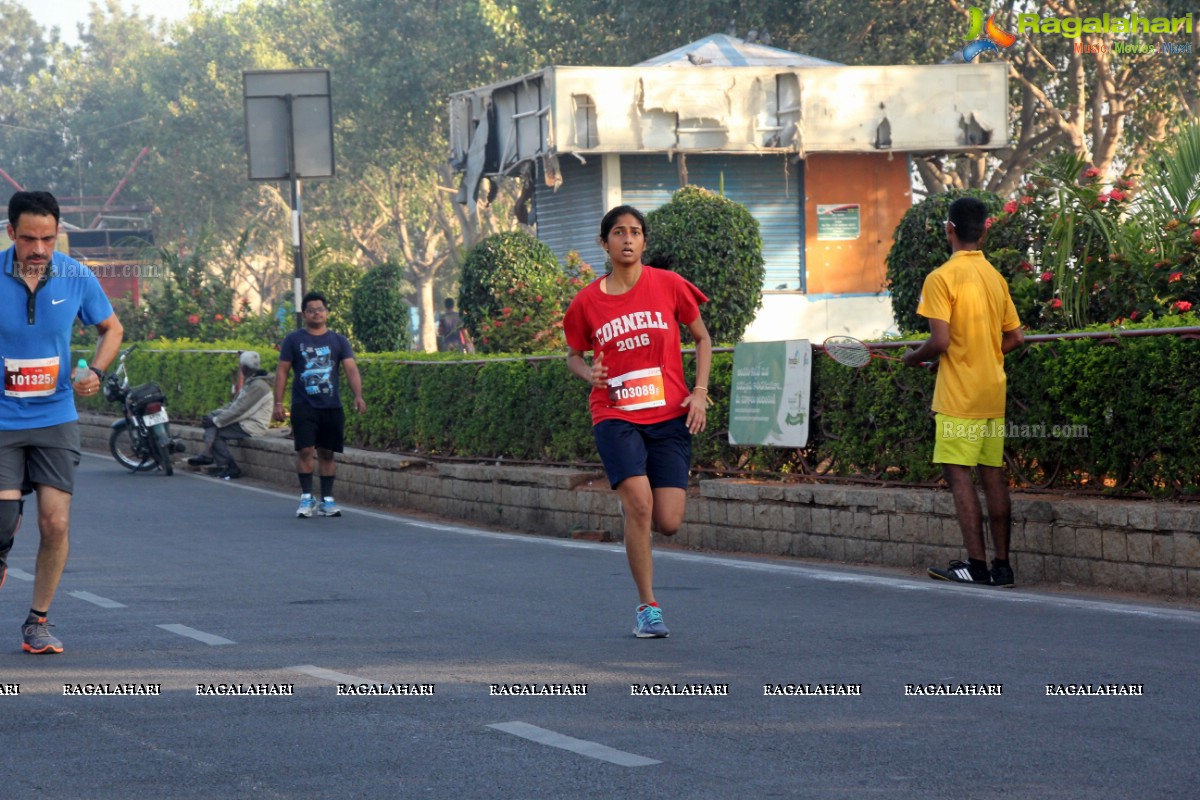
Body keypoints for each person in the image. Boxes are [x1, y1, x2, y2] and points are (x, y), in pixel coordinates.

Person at [564, 205, 712, 638]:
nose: (627, 239)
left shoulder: (669, 286)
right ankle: (648, 606)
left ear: (644, 241)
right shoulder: (587, 302)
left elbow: (702, 338)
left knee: (668, 520)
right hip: (614, 415)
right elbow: (573, 353)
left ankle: (634, 506)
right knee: (641, 506)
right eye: (618, 232)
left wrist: (699, 393)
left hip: (668, 415)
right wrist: (587, 372)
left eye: (635, 232)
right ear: (604, 243)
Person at [0, 190, 123, 654]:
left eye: (48, 238)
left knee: (55, 523)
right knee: (4, 517)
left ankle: (38, 622)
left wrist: (96, 370)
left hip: (55, 416)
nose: (38, 249)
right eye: (28, 238)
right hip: (1, 419)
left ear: (58, 235)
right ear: (11, 233)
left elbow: (111, 328)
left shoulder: (75, 276)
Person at [901, 196, 1025, 587]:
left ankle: (975, 564)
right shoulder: (994, 276)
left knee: (959, 477)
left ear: (949, 229)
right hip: (992, 393)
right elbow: (1015, 338)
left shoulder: (941, 278)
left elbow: (939, 341)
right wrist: (979, 356)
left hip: (959, 398)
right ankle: (1001, 567)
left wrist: (912, 358)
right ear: (984, 230)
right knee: (993, 477)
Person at [273, 291, 366, 518]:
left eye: (320, 309)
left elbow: (351, 369)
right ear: (304, 314)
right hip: (303, 404)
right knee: (305, 449)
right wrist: (278, 402)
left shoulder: (338, 341)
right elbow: (283, 371)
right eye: (312, 310)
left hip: (331, 405)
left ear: (327, 313)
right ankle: (306, 497)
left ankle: (327, 500)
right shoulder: (293, 340)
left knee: (327, 453)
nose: (317, 313)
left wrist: (358, 395)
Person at [187, 350, 275, 480]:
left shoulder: (258, 386)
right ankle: (208, 455)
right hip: (245, 421)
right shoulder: (253, 382)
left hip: (253, 425)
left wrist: (216, 420)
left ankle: (228, 466)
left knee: (217, 433)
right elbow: (234, 405)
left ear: (244, 368)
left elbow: (240, 410)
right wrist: (215, 415)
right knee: (211, 419)